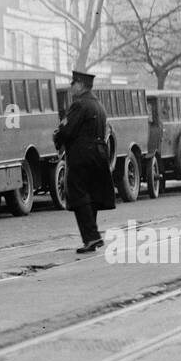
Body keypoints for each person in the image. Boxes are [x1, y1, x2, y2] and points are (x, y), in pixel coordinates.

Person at [55, 68, 116, 254]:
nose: (71, 86)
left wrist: (57, 137)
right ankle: (92, 235)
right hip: (99, 153)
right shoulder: (98, 104)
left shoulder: (79, 105)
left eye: (73, 83)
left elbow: (67, 130)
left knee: (78, 195)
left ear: (80, 85)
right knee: (91, 195)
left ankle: (91, 236)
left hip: (81, 155)